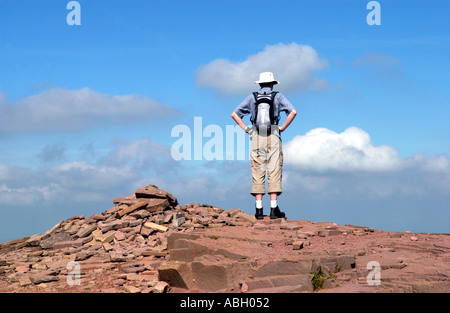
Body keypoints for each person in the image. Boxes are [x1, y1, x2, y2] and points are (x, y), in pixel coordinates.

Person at [231, 72, 297, 220]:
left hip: (256, 134)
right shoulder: (278, 96)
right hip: (273, 133)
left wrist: (248, 130)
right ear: (272, 84)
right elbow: (293, 112)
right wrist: (282, 128)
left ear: (259, 84)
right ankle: (274, 209)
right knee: (274, 168)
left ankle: (259, 210)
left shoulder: (252, 97)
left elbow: (234, 114)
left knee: (257, 169)